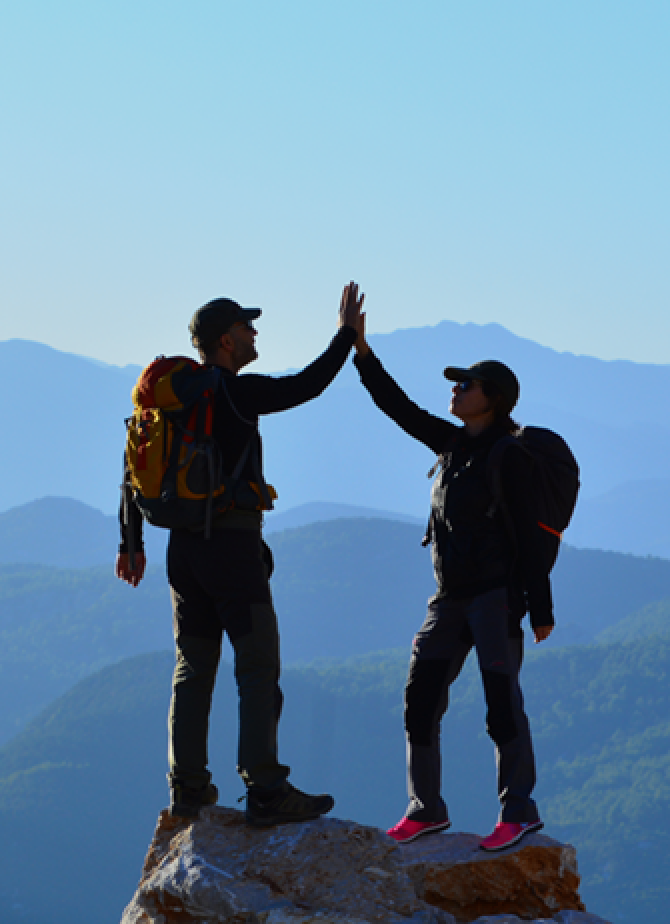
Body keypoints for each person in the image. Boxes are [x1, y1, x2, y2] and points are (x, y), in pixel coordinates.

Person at [117, 285, 362, 827]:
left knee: (192, 668)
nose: (255, 334)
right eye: (248, 328)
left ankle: (189, 788)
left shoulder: (169, 399)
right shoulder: (232, 393)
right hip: (231, 547)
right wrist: (346, 335)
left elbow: (133, 465)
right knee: (256, 664)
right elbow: (308, 385)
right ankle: (266, 788)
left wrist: (130, 542)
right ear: (226, 341)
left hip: (182, 552)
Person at [342, 296, 554, 852]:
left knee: (500, 703)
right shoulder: (454, 443)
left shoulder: (508, 456)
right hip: (449, 599)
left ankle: (519, 810)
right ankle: (425, 808)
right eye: (457, 384)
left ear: (495, 399)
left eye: (467, 385)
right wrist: (360, 351)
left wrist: (542, 607)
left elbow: (532, 536)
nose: (456, 390)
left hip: (495, 598)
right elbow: (399, 408)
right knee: (420, 698)